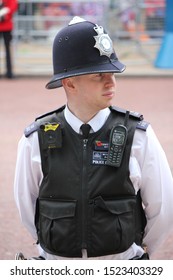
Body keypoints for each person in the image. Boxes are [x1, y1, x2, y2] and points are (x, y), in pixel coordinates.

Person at [14, 16, 173, 260]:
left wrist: (136, 253)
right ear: (70, 83)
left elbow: (163, 208)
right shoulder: (36, 138)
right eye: (98, 75)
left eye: (112, 72)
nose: (111, 81)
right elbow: (28, 207)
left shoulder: (137, 134)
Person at [0, 0, 18, 78]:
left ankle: (9, 72)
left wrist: (4, 12)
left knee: (8, 50)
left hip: (6, 25)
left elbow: (13, 6)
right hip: (6, 24)